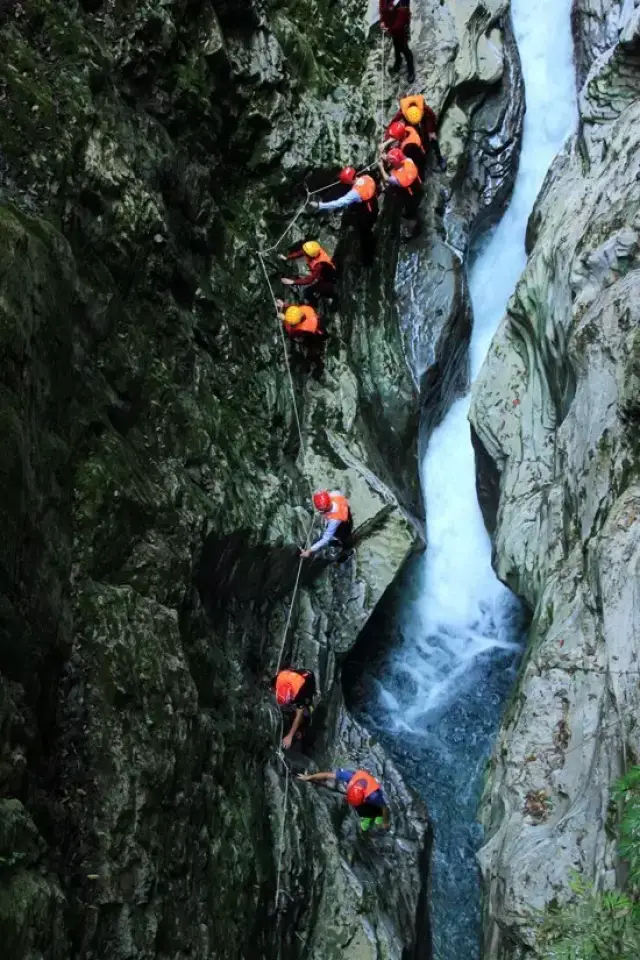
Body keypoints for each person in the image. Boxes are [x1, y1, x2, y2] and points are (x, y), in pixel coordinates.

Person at [308, 167, 378, 266]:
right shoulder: (366, 177)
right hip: (372, 204)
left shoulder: (354, 193)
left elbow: (339, 203)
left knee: (365, 234)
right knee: (367, 225)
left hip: (366, 212)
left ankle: (368, 259)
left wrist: (320, 205)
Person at [297, 768, 391, 832]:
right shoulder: (348, 776)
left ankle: (378, 816)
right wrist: (309, 777)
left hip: (371, 795)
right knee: (360, 808)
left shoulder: (374, 796)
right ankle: (367, 816)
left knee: (378, 810)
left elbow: (385, 808)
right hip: (361, 797)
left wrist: (385, 823)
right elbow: (327, 775)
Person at [389, 94, 447, 172]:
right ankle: (421, 161)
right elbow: (393, 123)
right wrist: (387, 139)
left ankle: (440, 159)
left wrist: (431, 130)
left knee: (432, 138)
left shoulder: (422, 106)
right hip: (412, 126)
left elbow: (431, 116)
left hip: (424, 123)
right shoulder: (403, 111)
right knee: (415, 144)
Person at [275, 300, 326, 379]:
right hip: (319, 324)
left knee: (312, 355)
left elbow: (291, 333)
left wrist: (284, 319)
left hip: (315, 337)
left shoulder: (303, 329)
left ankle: (319, 366)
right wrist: (284, 305)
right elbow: (294, 310)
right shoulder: (303, 310)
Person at [379, 147, 422, 238]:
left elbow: (387, 179)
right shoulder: (409, 162)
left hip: (410, 196)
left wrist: (381, 167)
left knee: (411, 214)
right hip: (416, 189)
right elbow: (400, 159)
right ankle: (409, 217)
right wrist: (387, 157)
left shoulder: (398, 178)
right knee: (412, 210)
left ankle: (410, 233)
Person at [279, 240, 337, 306]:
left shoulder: (320, 264)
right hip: (322, 274)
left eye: (306, 253)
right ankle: (321, 293)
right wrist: (287, 258)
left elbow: (309, 280)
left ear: (311, 256)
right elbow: (299, 253)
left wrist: (293, 282)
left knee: (307, 292)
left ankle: (317, 303)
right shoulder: (313, 249)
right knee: (314, 287)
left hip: (328, 278)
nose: (304, 253)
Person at [301, 489, 353, 560]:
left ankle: (346, 552)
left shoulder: (334, 521)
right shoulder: (334, 494)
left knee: (343, 538)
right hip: (346, 514)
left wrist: (309, 551)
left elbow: (326, 538)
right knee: (345, 535)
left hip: (342, 526)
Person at [271, 668, 316, 750]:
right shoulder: (279, 679)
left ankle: (302, 728)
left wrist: (290, 736)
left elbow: (298, 717)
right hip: (294, 674)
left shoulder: (301, 693)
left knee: (305, 712)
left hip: (308, 679)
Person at [379, 0, 415, 84]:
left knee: (404, 48)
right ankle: (398, 62)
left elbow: (403, 15)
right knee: (396, 45)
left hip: (401, 28)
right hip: (392, 27)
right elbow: (383, 11)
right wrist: (382, 22)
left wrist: (389, 28)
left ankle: (411, 71)